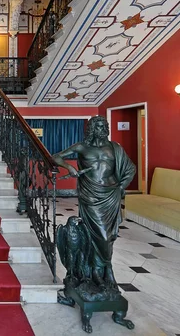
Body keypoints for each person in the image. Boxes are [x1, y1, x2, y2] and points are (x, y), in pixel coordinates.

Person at [52, 116, 135, 289]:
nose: (103, 129)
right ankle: (101, 270)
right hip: (90, 194)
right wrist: (70, 168)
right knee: (100, 234)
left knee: (109, 236)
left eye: (105, 126)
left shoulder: (115, 148)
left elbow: (130, 168)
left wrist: (121, 187)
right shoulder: (82, 147)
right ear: (91, 129)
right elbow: (56, 157)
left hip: (111, 194)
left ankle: (102, 271)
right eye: (98, 126)